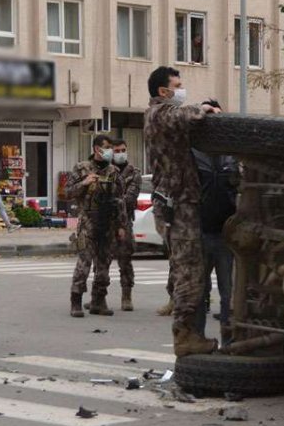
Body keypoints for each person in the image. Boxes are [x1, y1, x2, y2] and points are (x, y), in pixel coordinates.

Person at [143, 65, 222, 356]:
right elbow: (184, 114)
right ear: (164, 91)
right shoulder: (159, 113)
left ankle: (188, 334)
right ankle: (185, 336)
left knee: (188, 268)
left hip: (179, 201)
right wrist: (202, 108)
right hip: (178, 203)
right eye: (178, 84)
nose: (181, 88)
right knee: (190, 271)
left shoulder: (162, 116)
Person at [65, 135, 129, 317]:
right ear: (96, 149)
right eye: (107, 147)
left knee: (104, 265)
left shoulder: (114, 171)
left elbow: (120, 200)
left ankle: (98, 300)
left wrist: (121, 225)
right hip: (88, 223)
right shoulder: (82, 168)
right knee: (84, 263)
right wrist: (83, 183)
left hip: (108, 223)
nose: (110, 151)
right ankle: (76, 301)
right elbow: (67, 192)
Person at [193, 145, 238, 343]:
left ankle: (228, 339)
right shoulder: (193, 155)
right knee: (199, 291)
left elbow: (239, 189)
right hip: (200, 233)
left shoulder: (231, 158)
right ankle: (198, 337)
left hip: (225, 235)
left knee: (228, 291)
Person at [111, 138, 140, 310]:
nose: (120, 153)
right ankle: (98, 296)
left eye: (123, 150)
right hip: (105, 222)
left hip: (124, 221)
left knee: (125, 260)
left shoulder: (133, 173)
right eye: (116, 151)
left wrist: (110, 200)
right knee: (101, 261)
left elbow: (130, 199)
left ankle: (126, 296)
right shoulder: (105, 170)